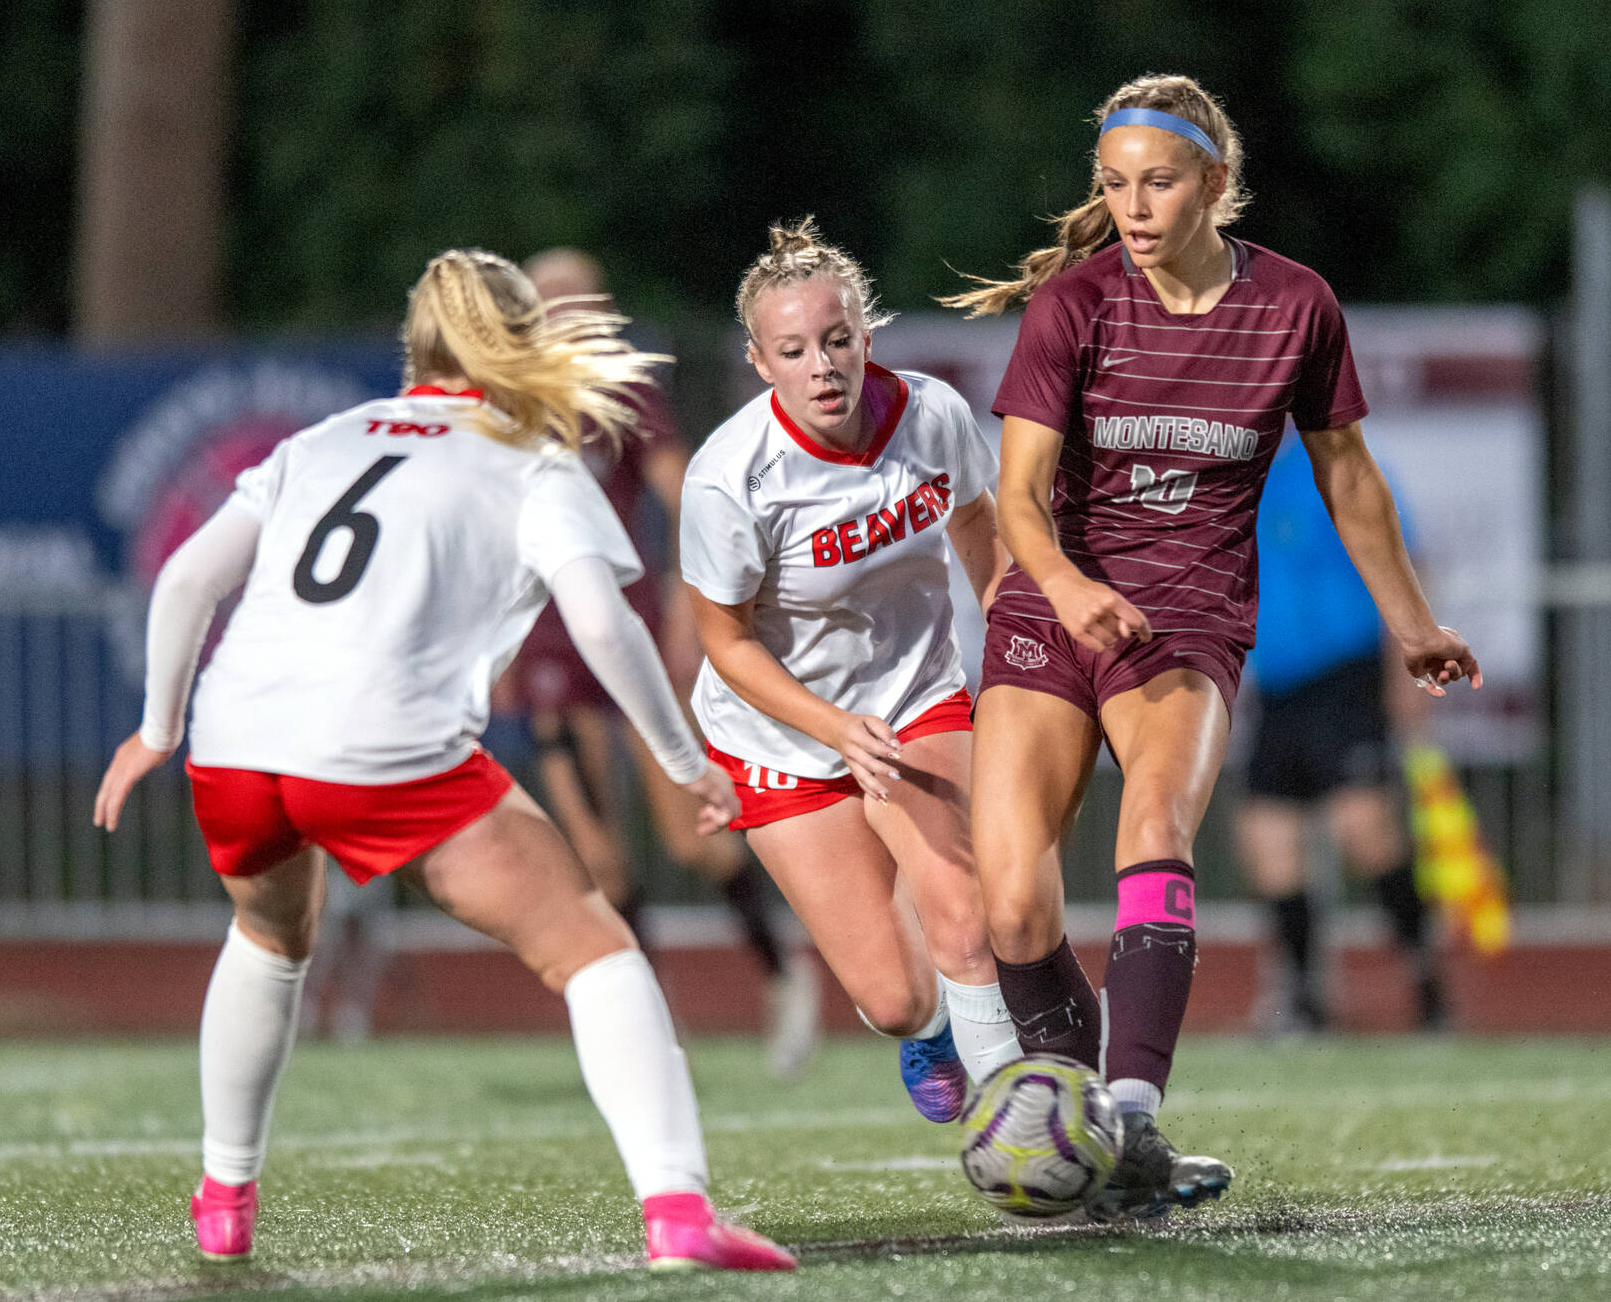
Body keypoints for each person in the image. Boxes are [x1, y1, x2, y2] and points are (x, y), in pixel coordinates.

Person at [90, 249, 794, 1274]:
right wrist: (685, 757)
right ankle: (677, 1212)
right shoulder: (531, 459)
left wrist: (158, 728)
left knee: (269, 939)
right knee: (592, 950)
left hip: (236, 744)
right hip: (380, 751)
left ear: (414, 344)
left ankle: (225, 1197)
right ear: (522, 346)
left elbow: (191, 576)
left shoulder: (320, 440)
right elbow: (600, 621)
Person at [942, 73, 1480, 1219]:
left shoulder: (1293, 305)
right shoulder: (1075, 306)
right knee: (1009, 911)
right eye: (1114, 185)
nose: (1133, 207)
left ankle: (1127, 1120)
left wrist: (1411, 621)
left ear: (1214, 184)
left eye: (1158, 182)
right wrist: (1066, 586)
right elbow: (1019, 498)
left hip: (1185, 618)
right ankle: (1081, 1120)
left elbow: (1346, 475)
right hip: (1049, 607)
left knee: (1155, 822)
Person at [680, 218, 1022, 1123]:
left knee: (965, 912)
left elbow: (981, 533)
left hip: (915, 695)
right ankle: (928, 1031)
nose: (822, 365)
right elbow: (726, 641)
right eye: (793, 349)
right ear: (760, 362)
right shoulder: (731, 477)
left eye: (837, 341)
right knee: (897, 995)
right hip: (782, 735)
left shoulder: (932, 413)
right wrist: (835, 731)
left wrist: (1023, 653)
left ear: (868, 335)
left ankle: (1023, 1130)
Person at [505, 247, 821, 1077]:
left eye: (577, 299)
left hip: (622, 622)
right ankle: (651, 1030)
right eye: (548, 301)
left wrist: (689, 599)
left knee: (692, 835)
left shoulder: (622, 387)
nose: (563, 315)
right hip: (545, 642)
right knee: (596, 858)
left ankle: (783, 972)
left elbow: (685, 493)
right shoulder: (508, 399)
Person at [1235, 438, 1447, 1033]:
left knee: (1365, 831)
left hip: (1348, 677)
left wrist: (1409, 664)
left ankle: (1426, 979)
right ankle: (1304, 1000)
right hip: (1277, 689)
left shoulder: (1341, 462)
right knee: (1267, 841)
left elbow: (1408, 560)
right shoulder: (1237, 475)